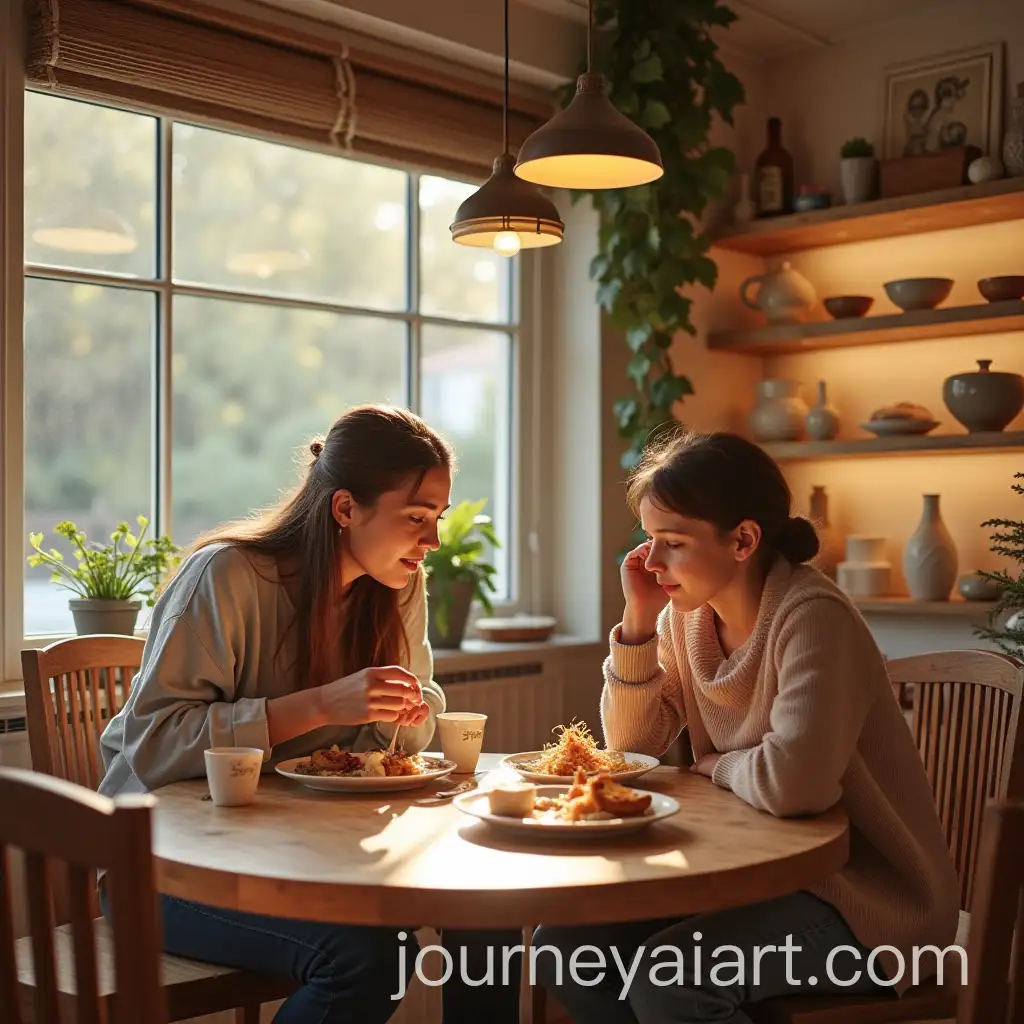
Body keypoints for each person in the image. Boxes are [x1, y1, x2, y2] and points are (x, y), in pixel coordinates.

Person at [97, 404, 522, 1024]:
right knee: (371, 958)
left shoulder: (397, 584)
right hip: (170, 870)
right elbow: (155, 743)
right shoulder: (226, 577)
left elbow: (420, 717)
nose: (431, 542)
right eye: (416, 518)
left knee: (489, 915)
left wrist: (401, 706)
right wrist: (322, 704)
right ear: (345, 509)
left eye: (437, 519)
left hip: (302, 854)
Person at [533, 429, 960, 1024]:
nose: (652, 563)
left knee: (671, 979)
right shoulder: (687, 618)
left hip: (868, 904)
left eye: (673, 543)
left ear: (743, 540)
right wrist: (637, 621)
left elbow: (796, 785)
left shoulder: (814, 619)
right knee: (564, 949)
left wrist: (718, 765)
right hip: (757, 879)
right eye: (650, 541)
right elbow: (631, 747)